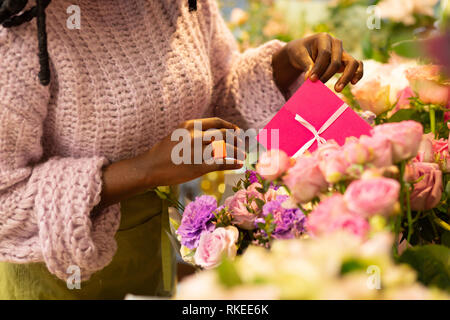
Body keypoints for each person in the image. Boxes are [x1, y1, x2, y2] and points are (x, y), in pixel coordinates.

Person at [0, 0, 363, 299]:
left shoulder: (180, 4)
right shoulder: (18, 34)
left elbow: (217, 91)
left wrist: (284, 62)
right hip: (54, 272)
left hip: (154, 248)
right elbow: (5, 199)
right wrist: (147, 170)